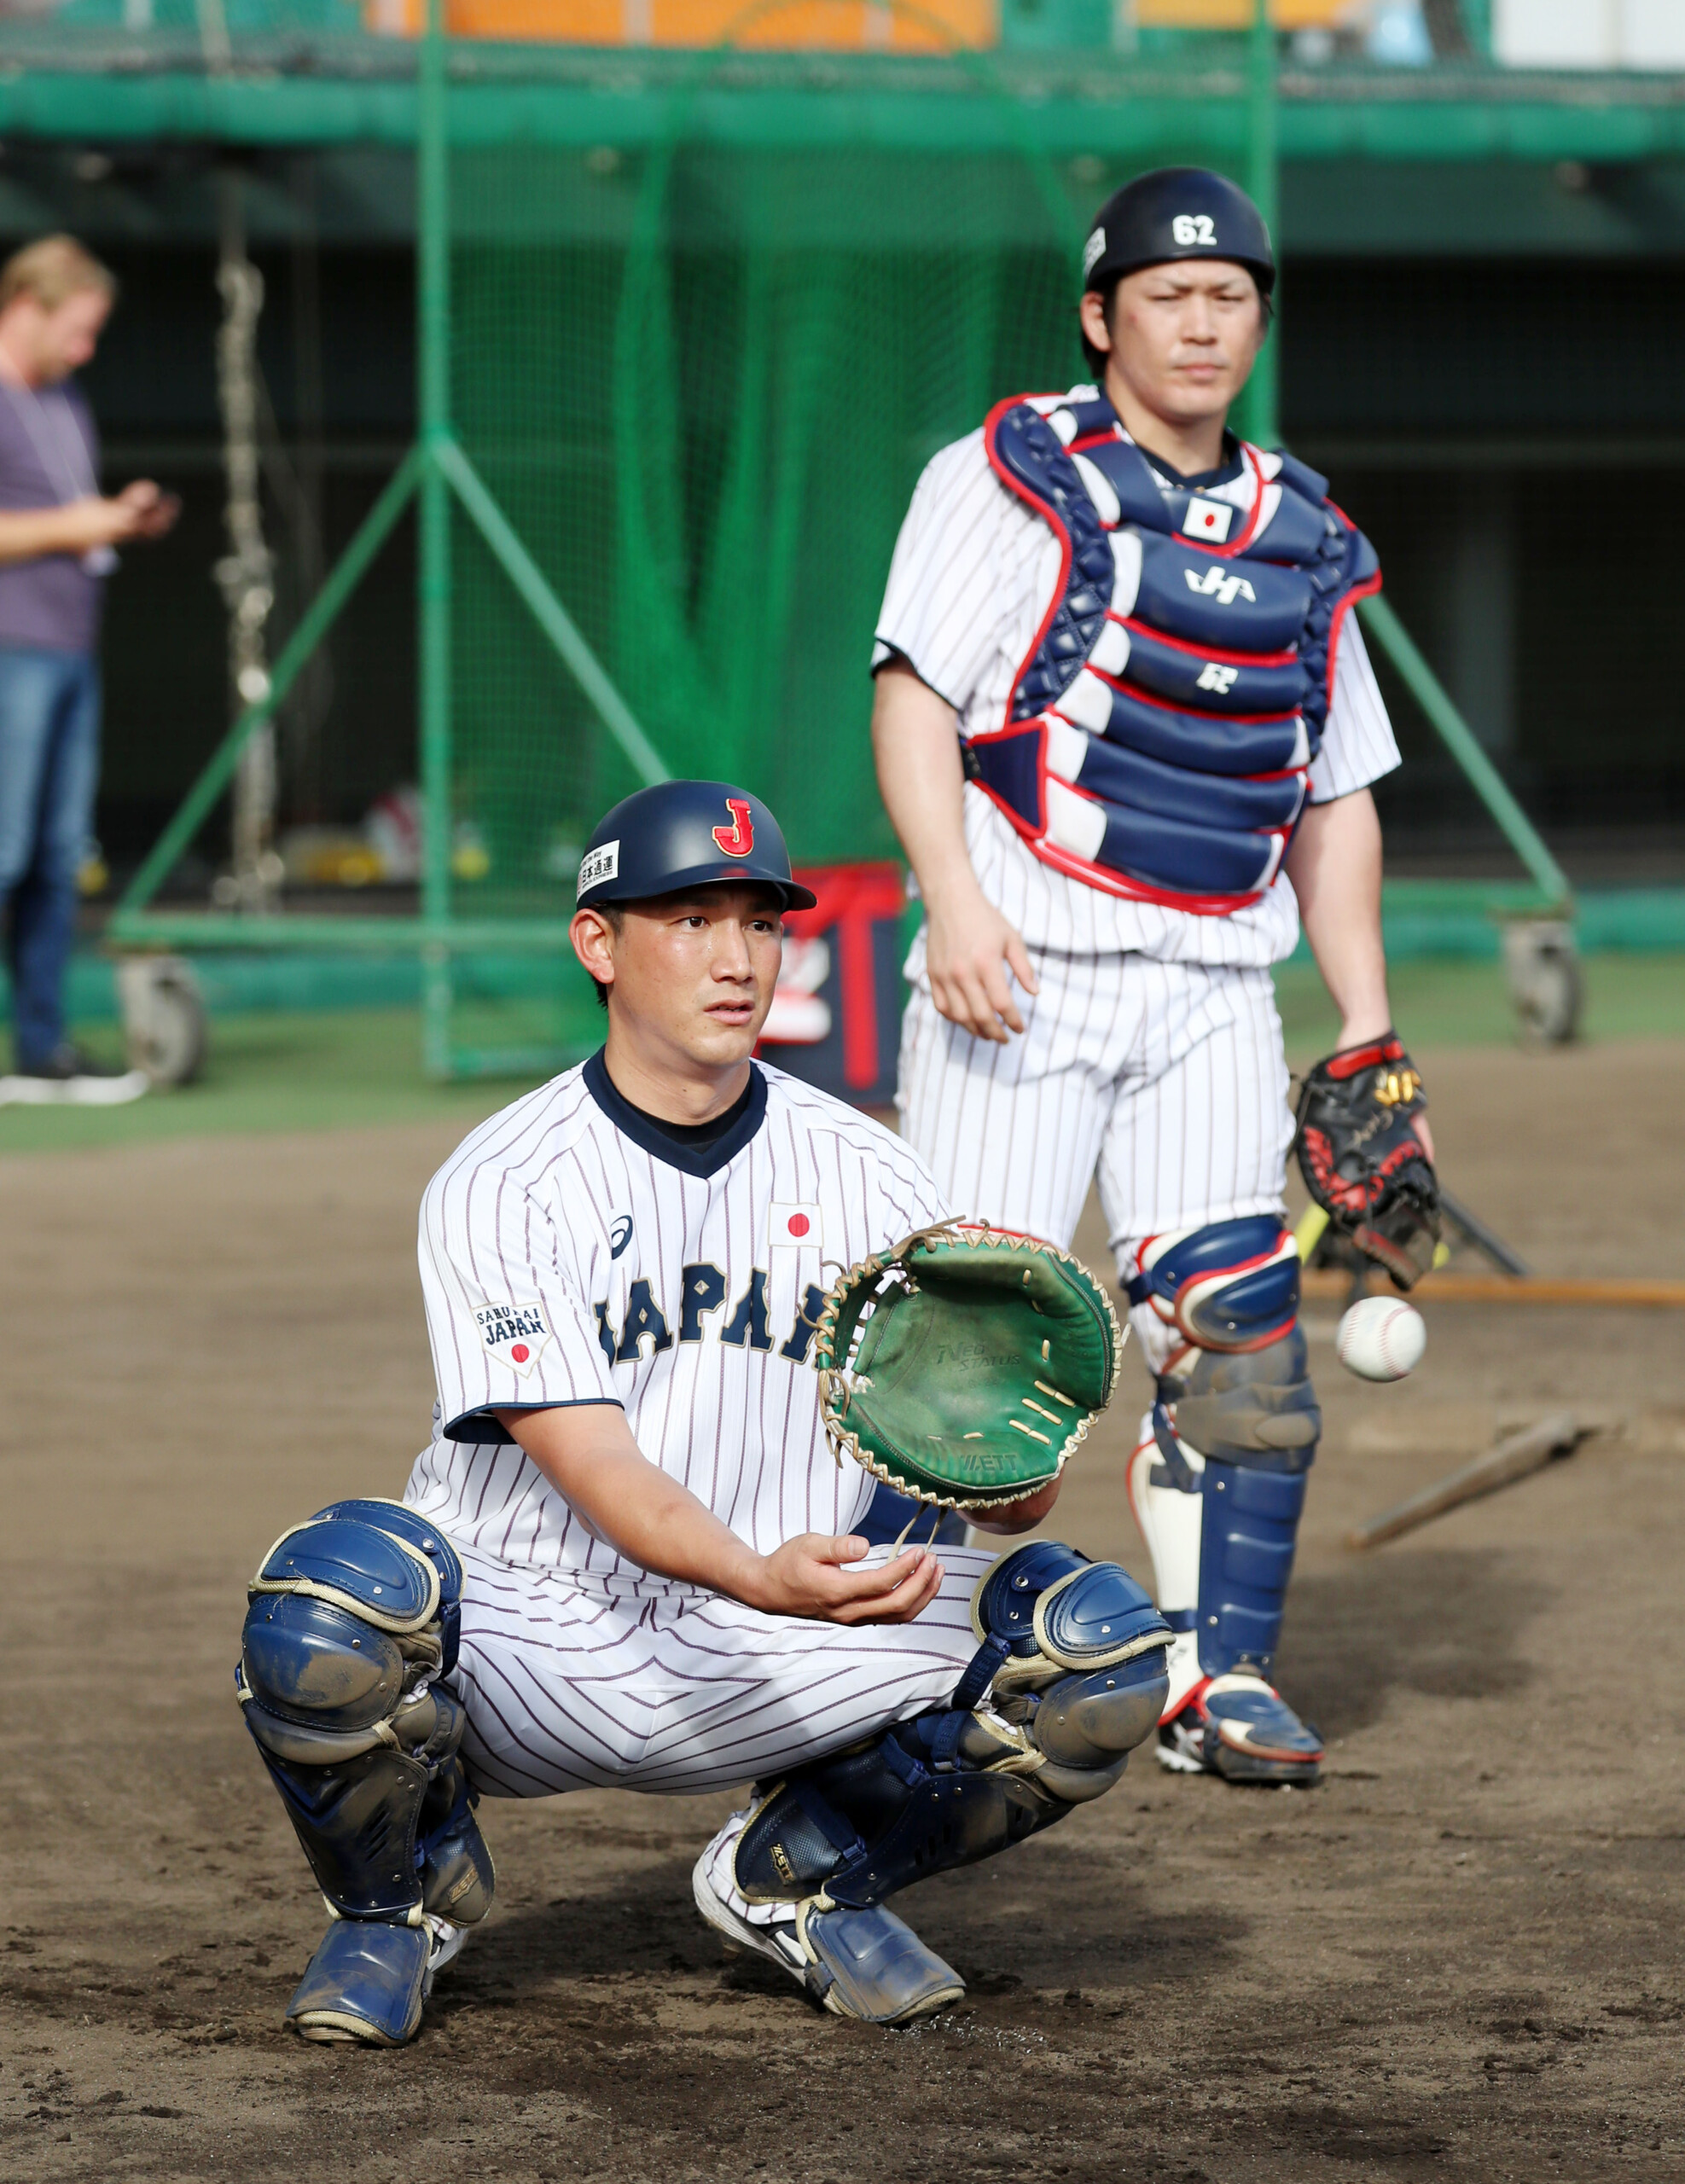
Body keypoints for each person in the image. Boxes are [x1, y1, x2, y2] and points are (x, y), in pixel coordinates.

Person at [235, 779, 1171, 2047]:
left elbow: (990, 1492)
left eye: (759, 922)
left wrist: (1008, 1459)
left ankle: (802, 1875)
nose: (736, 960)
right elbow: (597, 1463)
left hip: (791, 1629)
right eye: (689, 920)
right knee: (329, 1606)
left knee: (1097, 1649)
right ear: (598, 943)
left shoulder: (870, 1175)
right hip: (539, 1632)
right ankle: (394, 1908)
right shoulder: (506, 1180)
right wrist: (754, 1572)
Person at [870, 168, 1438, 1788]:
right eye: (1169, 297)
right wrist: (956, 900)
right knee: (965, 1347)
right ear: (1101, 315)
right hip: (1022, 971)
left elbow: (1333, 792)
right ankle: (908, 1670)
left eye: (1231, 297)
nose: (1202, 323)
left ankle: (1216, 1677)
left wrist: (1372, 1022)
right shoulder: (1011, 477)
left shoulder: (1308, 533)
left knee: (1244, 1345)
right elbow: (915, 701)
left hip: (1211, 986)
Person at [0, 234, 177, 1103]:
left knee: (54, 856)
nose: (85, 350)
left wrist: (117, 519)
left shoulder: (65, 401)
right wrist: (83, 525)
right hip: (8, 654)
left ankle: (42, 1047)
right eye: (76, 330)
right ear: (27, 307)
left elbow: (71, 513)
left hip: (70, 651)